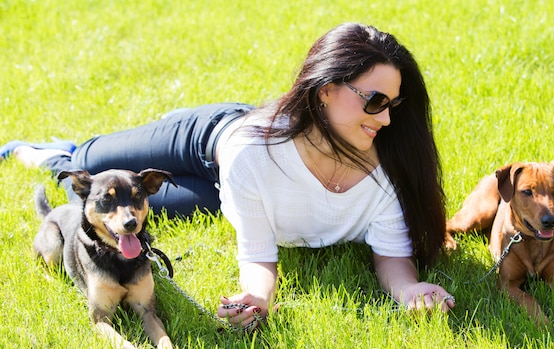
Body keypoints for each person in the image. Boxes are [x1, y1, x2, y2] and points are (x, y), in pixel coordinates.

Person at [4, 22, 454, 331]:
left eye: (393, 105)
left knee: (134, 208)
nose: (389, 119)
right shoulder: (257, 154)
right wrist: (259, 292)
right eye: (375, 101)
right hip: (212, 138)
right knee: (86, 171)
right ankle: (58, 151)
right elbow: (260, 253)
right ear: (327, 91)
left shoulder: (389, 172)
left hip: (228, 190)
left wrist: (410, 289)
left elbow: (391, 258)